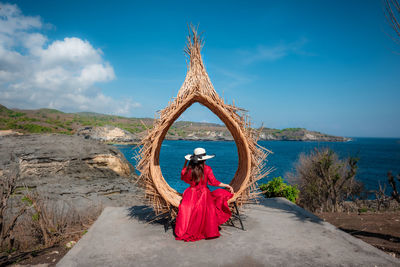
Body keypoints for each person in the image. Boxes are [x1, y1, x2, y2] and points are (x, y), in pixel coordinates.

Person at [174, 147, 234, 242]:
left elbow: (183, 176)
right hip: (204, 194)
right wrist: (226, 185)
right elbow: (214, 182)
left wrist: (185, 163)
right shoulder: (207, 169)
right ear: (204, 159)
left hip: (190, 193)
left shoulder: (188, 169)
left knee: (190, 209)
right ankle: (207, 229)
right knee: (219, 197)